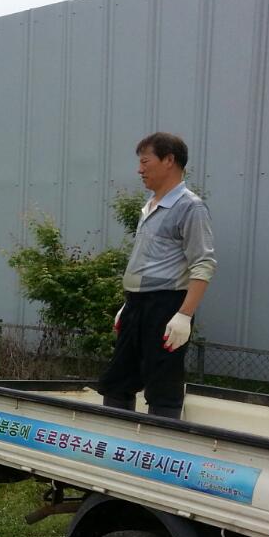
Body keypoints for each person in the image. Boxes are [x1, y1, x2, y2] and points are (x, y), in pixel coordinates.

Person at [99, 133, 216, 420]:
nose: (140, 170)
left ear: (169, 160)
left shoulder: (190, 207)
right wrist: (129, 303)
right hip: (136, 304)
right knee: (118, 378)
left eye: (145, 162)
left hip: (166, 306)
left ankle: (160, 443)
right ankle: (114, 439)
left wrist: (184, 315)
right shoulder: (150, 205)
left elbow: (203, 264)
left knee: (163, 382)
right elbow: (148, 261)